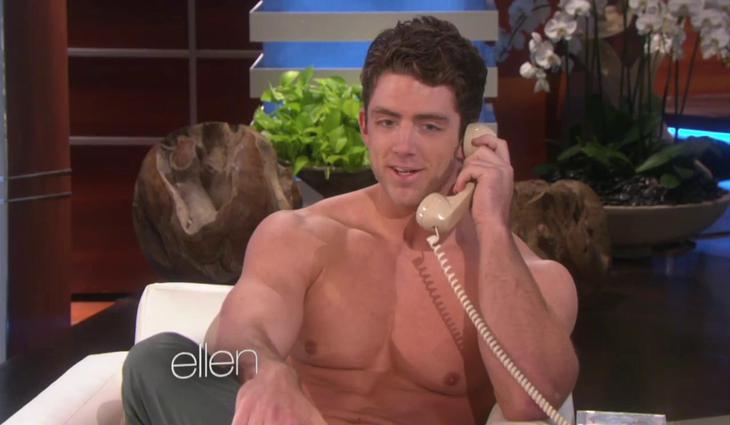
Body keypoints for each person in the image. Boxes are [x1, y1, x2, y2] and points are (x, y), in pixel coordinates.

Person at [122, 16, 579, 425]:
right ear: (364, 126)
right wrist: (267, 371)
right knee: (158, 360)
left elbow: (531, 403)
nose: (403, 147)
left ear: (469, 139)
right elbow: (237, 332)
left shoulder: (535, 277)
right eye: (387, 122)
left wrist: (493, 229)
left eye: (429, 126)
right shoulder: (302, 235)